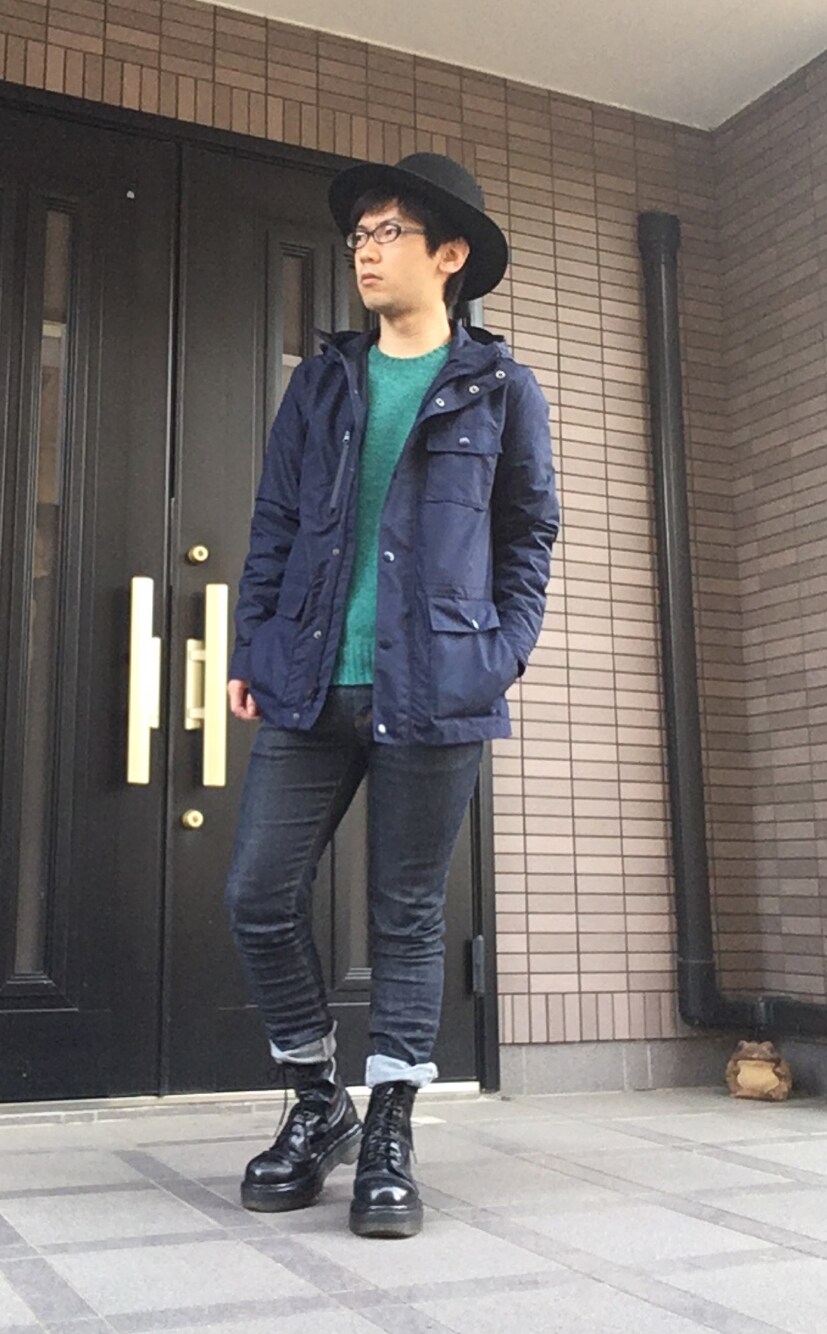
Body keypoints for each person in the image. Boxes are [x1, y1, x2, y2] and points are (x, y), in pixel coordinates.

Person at [224, 153, 559, 1239]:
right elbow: (275, 523)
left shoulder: (500, 388)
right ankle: (316, 1100)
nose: (364, 252)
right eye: (359, 235)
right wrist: (254, 644)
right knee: (258, 894)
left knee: (407, 915)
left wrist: (500, 653)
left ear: (449, 254)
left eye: (387, 233)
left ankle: (390, 1130)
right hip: (312, 679)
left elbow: (529, 533)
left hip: (437, 685)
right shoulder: (321, 382)